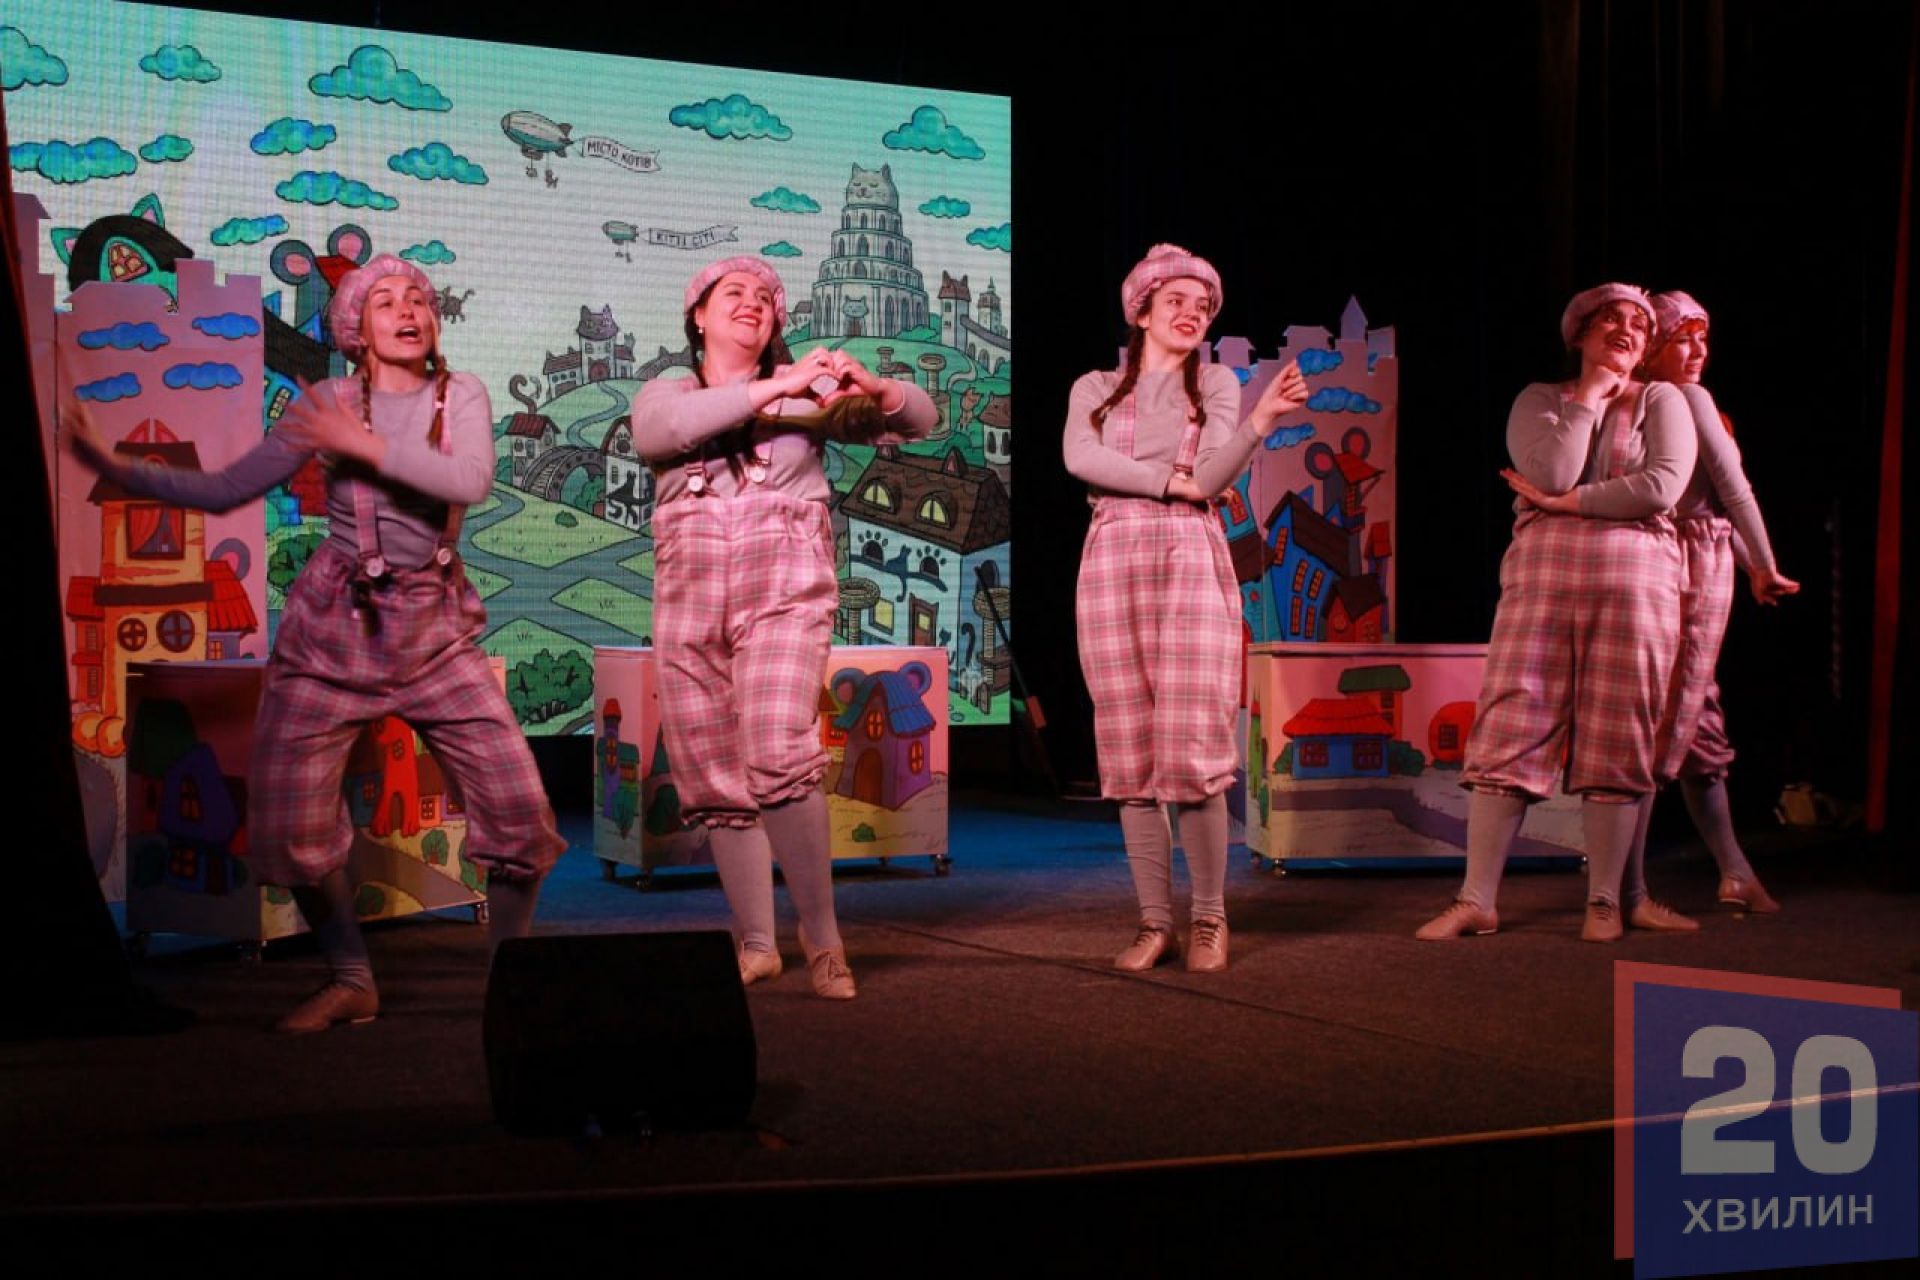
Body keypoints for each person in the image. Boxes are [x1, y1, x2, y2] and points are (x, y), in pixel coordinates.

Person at [64, 254, 565, 1031]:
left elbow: (468, 480)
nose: (408, 310)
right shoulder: (326, 402)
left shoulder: (457, 394)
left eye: (419, 299)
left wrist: (358, 445)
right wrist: (113, 465)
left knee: (520, 813)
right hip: (335, 630)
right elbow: (226, 488)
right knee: (291, 823)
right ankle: (351, 976)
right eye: (386, 301)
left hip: (434, 632)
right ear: (356, 330)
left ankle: (514, 978)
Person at [631, 256, 936, 999]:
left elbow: (919, 420)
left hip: (783, 587)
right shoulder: (671, 389)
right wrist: (778, 386)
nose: (753, 303)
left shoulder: (812, 394)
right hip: (692, 595)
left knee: (776, 748)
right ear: (698, 315)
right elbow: (660, 434)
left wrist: (876, 388)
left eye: (766, 298)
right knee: (713, 772)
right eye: (734, 293)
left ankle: (822, 937)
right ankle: (757, 942)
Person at [1502, 290, 1797, 918]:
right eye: (1681, 340)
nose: (1696, 353)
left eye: (1702, 340)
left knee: (1670, 720)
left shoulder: (1686, 400)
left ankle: (1666, 884)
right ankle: (1681, 881)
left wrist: (1761, 564)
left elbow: (1728, 497)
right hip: (1656, 556)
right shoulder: (1629, 402)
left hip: (1683, 563)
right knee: (1672, 722)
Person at [1416, 283, 1697, 943]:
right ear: (1580, 333)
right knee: (1511, 726)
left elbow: (1660, 487)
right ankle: (1477, 899)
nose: (1626, 330)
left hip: (1634, 588)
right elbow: (1553, 473)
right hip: (1542, 586)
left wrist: (1568, 506)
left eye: (1638, 324)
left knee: (1617, 737)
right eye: (1610, 319)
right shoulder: (1540, 399)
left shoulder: (1661, 400)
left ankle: (1604, 902)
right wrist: (1590, 396)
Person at [1064, 244, 1308, 972]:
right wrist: (1169, 481)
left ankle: (1207, 918)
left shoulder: (1219, 384)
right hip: (1113, 555)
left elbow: (1209, 476)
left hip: (1191, 556)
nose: (1192, 314)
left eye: (1203, 306)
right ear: (1141, 311)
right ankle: (1152, 923)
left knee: (1194, 749)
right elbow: (1080, 457)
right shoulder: (1096, 386)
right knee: (1130, 751)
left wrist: (1259, 423)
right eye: (1176, 300)